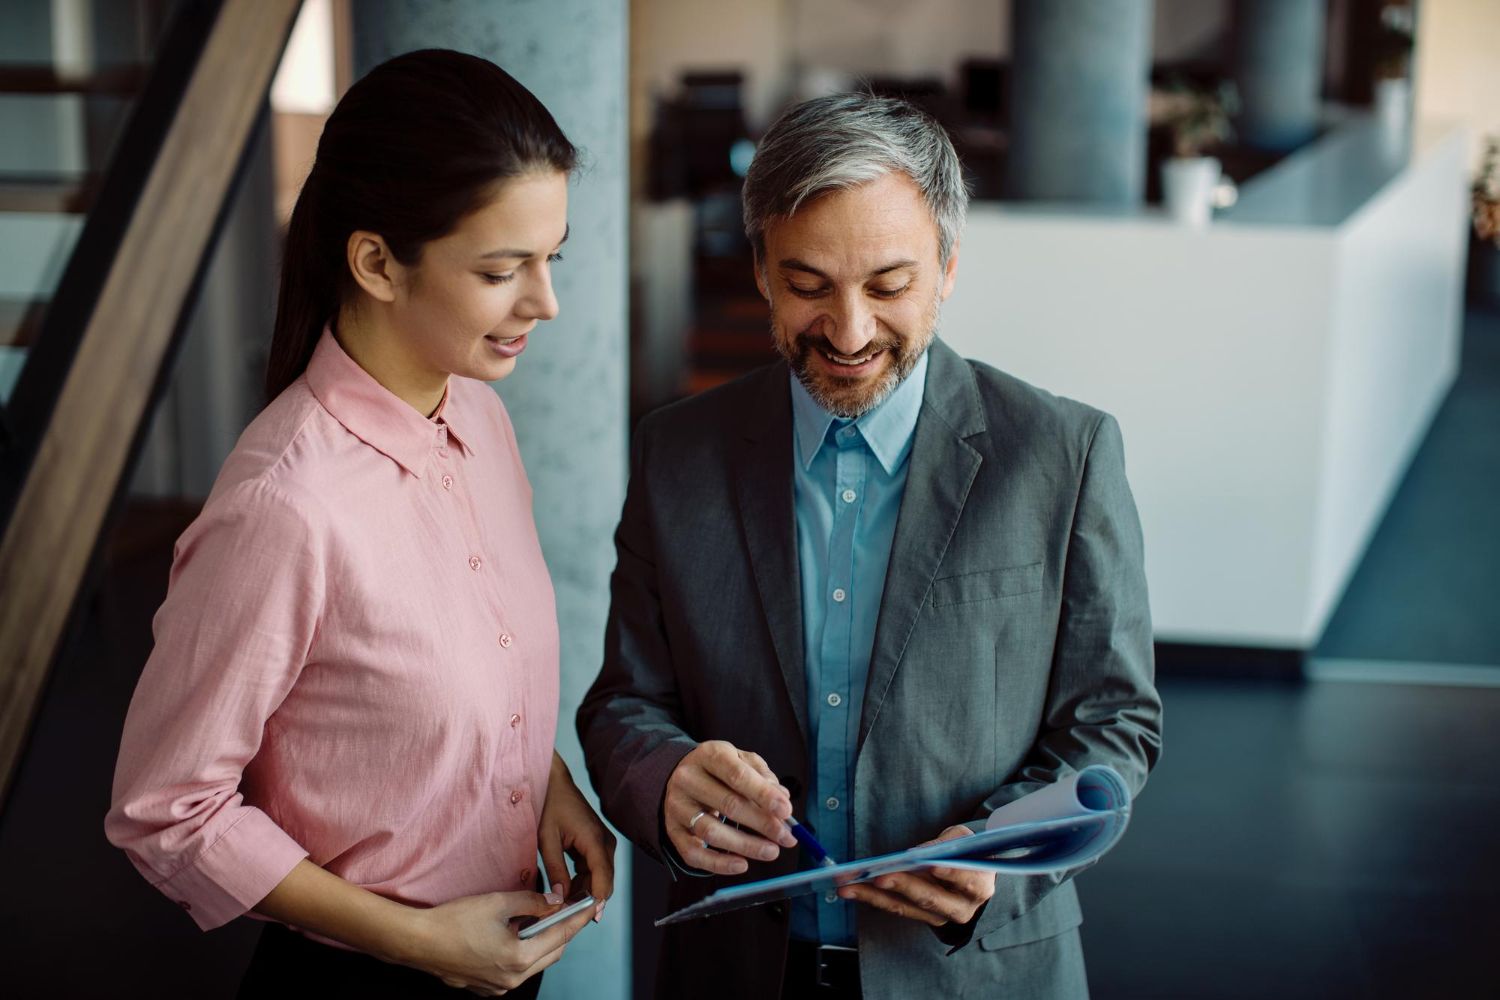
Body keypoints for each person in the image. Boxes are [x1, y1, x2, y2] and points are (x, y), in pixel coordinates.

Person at [577, 93, 1163, 999]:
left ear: (949, 268)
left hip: (981, 974)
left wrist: (998, 851)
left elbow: (1113, 724)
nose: (849, 334)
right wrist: (661, 780)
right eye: (809, 285)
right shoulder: (675, 452)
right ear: (764, 272)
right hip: (736, 973)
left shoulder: (1066, 454)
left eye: (889, 286)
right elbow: (625, 703)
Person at [105, 49, 614, 999]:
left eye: (552, 258)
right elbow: (164, 810)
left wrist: (546, 784)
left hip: (497, 960)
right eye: (503, 270)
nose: (546, 303)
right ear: (377, 261)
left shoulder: (480, 418)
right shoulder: (285, 506)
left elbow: (447, 665)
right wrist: (418, 942)